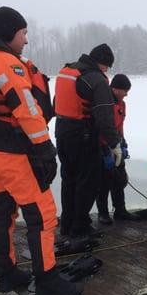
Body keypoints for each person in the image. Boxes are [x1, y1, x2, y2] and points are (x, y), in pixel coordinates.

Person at [0, 6, 82, 295]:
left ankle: (7, 274)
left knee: (2, 211)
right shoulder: (4, 61)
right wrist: (45, 148)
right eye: (23, 33)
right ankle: (47, 279)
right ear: (10, 33)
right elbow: (24, 107)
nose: (26, 40)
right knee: (43, 215)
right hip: (12, 153)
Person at [54, 44, 122, 238]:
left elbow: (55, 103)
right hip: (83, 136)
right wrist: (114, 143)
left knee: (69, 180)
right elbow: (104, 116)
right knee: (88, 182)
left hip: (62, 132)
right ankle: (80, 227)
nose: (106, 71)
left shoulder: (67, 72)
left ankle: (66, 224)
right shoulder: (97, 79)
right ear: (103, 64)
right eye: (107, 67)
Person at [96, 74, 141, 224]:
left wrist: (123, 144)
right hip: (103, 146)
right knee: (104, 182)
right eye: (125, 90)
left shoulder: (121, 104)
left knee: (119, 179)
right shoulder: (104, 102)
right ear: (115, 89)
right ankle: (103, 213)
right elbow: (100, 127)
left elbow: (120, 126)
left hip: (117, 145)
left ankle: (120, 210)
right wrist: (104, 150)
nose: (126, 94)